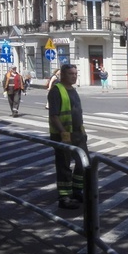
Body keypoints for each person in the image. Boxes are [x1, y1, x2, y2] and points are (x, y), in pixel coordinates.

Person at [48, 64, 87, 210]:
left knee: (84, 163)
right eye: (71, 74)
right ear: (63, 75)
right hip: (62, 135)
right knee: (64, 166)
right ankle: (64, 197)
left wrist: (82, 131)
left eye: (75, 73)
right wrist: (63, 133)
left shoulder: (73, 90)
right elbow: (54, 115)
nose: (74, 76)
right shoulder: (56, 91)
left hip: (78, 134)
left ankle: (77, 191)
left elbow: (77, 113)